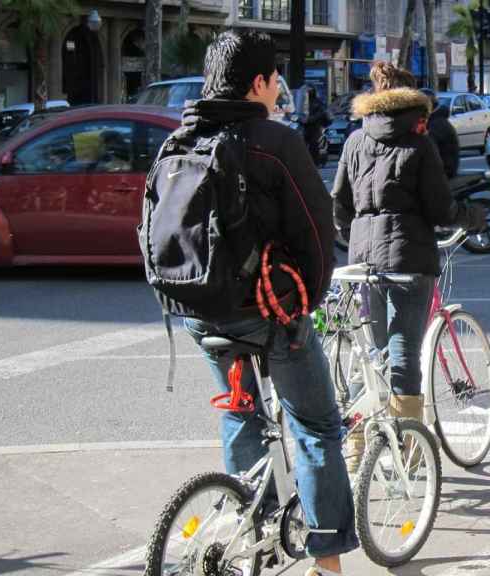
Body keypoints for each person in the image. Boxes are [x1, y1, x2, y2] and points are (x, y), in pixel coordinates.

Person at [169, 31, 357, 576]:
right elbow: (318, 237)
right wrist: (305, 304)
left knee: (241, 413)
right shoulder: (274, 142)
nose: (278, 91)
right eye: (275, 81)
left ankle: (257, 533)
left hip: (200, 312)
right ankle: (327, 565)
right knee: (317, 428)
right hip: (272, 315)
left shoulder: (179, 141)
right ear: (258, 83)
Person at [332, 62, 484, 471]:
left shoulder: (355, 141)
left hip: (362, 260)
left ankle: (357, 445)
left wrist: (357, 236)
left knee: (371, 352)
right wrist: (470, 217)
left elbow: (340, 206)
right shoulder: (419, 144)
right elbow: (440, 208)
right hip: (409, 258)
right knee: (402, 352)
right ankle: (407, 448)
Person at [420, 88, 460, 179]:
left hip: (442, 174)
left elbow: (429, 153)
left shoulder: (436, 125)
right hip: (443, 170)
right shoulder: (436, 121)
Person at [304, 86, 331, 164]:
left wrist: (312, 118)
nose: (308, 93)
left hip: (315, 127)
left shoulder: (317, 102)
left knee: (314, 144)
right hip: (305, 126)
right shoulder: (303, 102)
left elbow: (322, 113)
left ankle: (315, 161)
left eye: (309, 91)